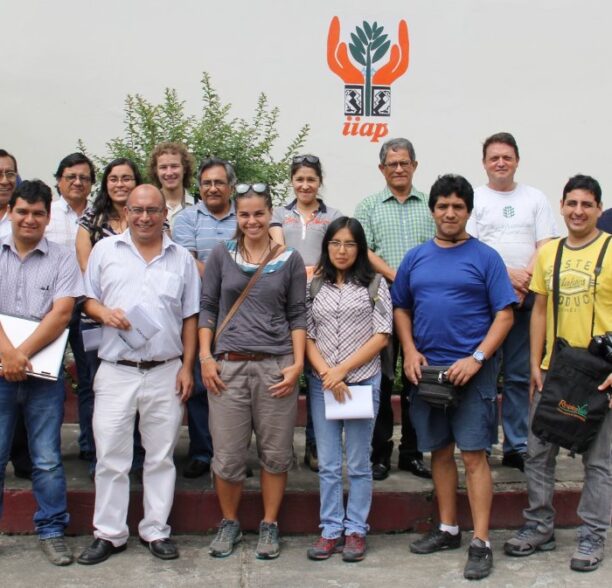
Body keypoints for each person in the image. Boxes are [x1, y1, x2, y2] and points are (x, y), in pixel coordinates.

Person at [392, 174, 516, 580]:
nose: (449, 213)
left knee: (475, 456)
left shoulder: (486, 258)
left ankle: (481, 541)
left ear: (468, 211)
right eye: (443, 206)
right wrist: (409, 350)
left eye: (457, 207)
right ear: (433, 210)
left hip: (472, 374)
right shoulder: (415, 258)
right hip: (428, 373)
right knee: (440, 452)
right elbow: (401, 307)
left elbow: (504, 315)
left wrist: (477, 358)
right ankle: (447, 528)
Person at [77, 185, 199, 565]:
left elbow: (191, 317)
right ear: (126, 212)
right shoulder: (104, 251)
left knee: (160, 457)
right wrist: (103, 313)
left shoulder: (181, 259)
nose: (145, 217)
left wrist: (188, 367)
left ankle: (156, 530)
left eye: (152, 210)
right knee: (111, 456)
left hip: (165, 370)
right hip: (116, 371)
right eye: (137, 210)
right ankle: (109, 534)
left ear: (165, 214)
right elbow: (87, 299)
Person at [504, 175, 612, 573]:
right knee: (538, 452)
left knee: (598, 461)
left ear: (599, 209)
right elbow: (539, 310)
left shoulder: (611, 249)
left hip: (601, 375)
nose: (578, 211)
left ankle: (593, 534)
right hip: (555, 372)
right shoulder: (549, 253)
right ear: (562, 206)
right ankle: (539, 525)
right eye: (572, 204)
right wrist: (535, 364)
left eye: (586, 204)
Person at [199, 182, 306, 560]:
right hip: (228, 368)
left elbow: (297, 314)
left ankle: (269, 523)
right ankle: (229, 521)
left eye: (259, 213)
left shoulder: (289, 259)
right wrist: (205, 357)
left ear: (270, 214)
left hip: (275, 367)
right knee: (228, 455)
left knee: (275, 453)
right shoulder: (221, 254)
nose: (252, 221)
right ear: (236, 216)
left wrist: (297, 364)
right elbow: (208, 306)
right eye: (244, 214)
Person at [0, 180, 83, 565]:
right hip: (0, 371)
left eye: (38, 213)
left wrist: (20, 356)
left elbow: (62, 313)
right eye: (22, 211)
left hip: (43, 379)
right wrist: (8, 355)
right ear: (11, 213)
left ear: (48, 217)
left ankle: (51, 530)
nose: (29, 219)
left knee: (47, 459)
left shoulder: (63, 258)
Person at [467, 132, 557, 471]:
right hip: (487, 302)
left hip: (527, 300)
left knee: (519, 375)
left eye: (507, 157)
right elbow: (472, 247)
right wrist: (506, 278)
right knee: (485, 373)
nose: (501, 163)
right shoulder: (475, 198)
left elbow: (545, 245)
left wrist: (524, 281)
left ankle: (516, 445)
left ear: (517, 160)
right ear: (484, 163)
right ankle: (483, 442)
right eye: (494, 158)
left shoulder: (535, 198)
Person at [305, 217, 391, 562]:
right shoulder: (314, 285)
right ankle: (330, 529)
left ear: (360, 248)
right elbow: (306, 334)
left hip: (362, 381)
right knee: (328, 463)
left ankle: (355, 529)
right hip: (323, 384)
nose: (342, 250)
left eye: (350, 244)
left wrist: (342, 370)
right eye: (335, 243)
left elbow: (382, 335)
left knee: (358, 462)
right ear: (326, 246)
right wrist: (327, 372)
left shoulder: (375, 284)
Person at [354, 137, 434, 481]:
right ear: (381, 168)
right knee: (382, 380)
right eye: (392, 164)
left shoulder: (431, 204)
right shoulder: (369, 206)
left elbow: (440, 246)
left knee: (418, 378)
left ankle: (413, 453)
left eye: (404, 163)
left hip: (424, 304)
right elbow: (362, 248)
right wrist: (395, 275)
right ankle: (380, 453)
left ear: (414, 165)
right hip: (381, 302)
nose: (398, 169)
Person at [270, 154, 343, 472]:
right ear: (292, 181)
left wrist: (317, 270)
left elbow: (337, 253)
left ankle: (315, 443)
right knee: (282, 369)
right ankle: (280, 442)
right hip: (283, 302)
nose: (305, 185)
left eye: (311, 179)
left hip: (321, 301)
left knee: (317, 373)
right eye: (299, 179)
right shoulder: (279, 214)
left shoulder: (333, 216)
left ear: (319, 182)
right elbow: (278, 251)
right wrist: (301, 270)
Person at [75, 158, 146, 477]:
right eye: (114, 178)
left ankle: (137, 454)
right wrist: (107, 309)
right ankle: (98, 454)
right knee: (97, 386)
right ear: (105, 184)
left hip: (139, 320)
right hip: (97, 318)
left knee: (139, 387)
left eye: (127, 178)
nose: (120, 184)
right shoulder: (92, 217)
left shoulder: (146, 214)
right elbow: (86, 265)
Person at [173, 157, 237, 479]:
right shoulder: (186, 219)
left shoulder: (244, 216)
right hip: (200, 313)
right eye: (207, 183)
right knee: (200, 384)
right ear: (199, 187)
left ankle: (232, 454)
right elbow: (188, 260)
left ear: (231, 187)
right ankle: (201, 451)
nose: (212, 188)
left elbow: (254, 255)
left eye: (219, 182)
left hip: (240, 314)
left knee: (234, 385)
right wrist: (229, 277)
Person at [46, 152, 97, 466]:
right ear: (59, 180)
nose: (78, 182)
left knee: (90, 378)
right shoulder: (47, 214)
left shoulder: (97, 215)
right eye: (71, 177)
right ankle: (46, 449)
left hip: (88, 308)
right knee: (46, 379)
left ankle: (89, 446)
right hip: (52, 308)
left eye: (84, 178)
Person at [0, 149, 32, 480]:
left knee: (19, 396)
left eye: (10, 173)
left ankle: (22, 458)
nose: (4, 180)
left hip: (21, 328)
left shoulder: (23, 215)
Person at [147, 142, 195, 230]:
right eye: (163, 167)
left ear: (184, 168)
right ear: (156, 171)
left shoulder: (198, 206)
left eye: (174, 166)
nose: (169, 173)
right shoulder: (147, 207)